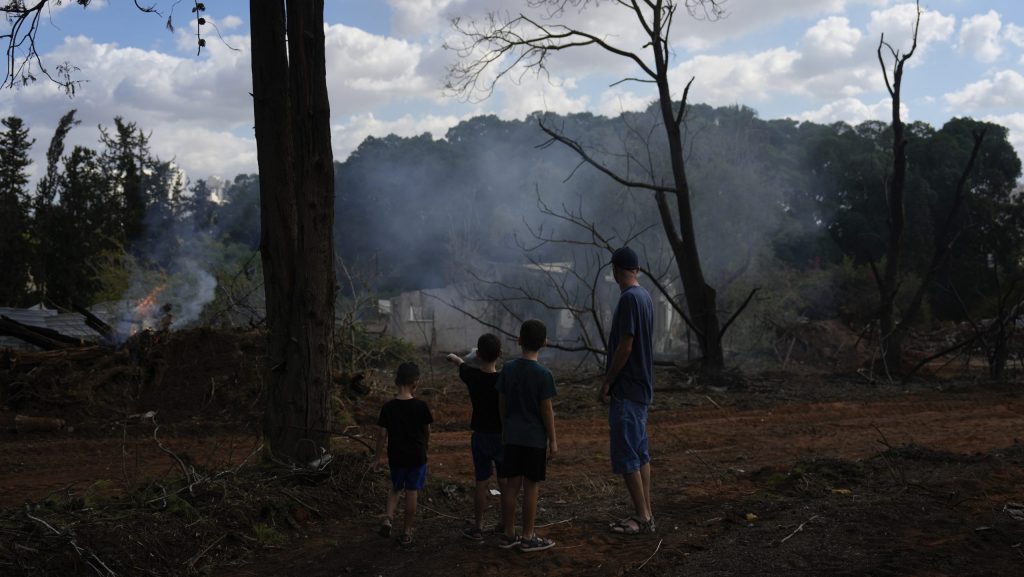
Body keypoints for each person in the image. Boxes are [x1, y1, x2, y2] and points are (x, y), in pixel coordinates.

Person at [597, 246, 656, 535]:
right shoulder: (645, 296)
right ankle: (646, 512)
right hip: (641, 387)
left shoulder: (629, 299)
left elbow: (626, 345)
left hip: (628, 388)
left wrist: (608, 380)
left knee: (627, 453)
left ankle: (642, 517)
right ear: (638, 269)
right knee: (640, 453)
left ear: (616, 271)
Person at [496, 319, 558, 552]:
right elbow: (546, 410)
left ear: (519, 340)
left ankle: (508, 533)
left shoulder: (509, 369)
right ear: (544, 343)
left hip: (512, 436)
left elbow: (501, 402)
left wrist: (505, 427)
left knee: (512, 484)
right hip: (534, 440)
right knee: (531, 486)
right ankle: (528, 536)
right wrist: (552, 439)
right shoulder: (544, 374)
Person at [446, 333, 508, 541]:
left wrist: (455, 357)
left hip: (480, 435)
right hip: (502, 436)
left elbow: (460, 363)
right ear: (499, 354)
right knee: (504, 481)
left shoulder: (472, 377)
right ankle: (505, 523)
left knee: (481, 482)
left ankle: (479, 527)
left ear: (479, 354)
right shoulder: (503, 380)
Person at [373, 362, 434, 547]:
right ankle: (407, 532)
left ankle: (388, 518)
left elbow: (382, 434)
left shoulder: (388, 407)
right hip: (416, 456)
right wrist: (426, 446)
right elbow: (427, 430)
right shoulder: (421, 406)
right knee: (411, 491)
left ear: (396, 381)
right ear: (416, 382)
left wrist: (377, 458)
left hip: (396, 456)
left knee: (395, 487)